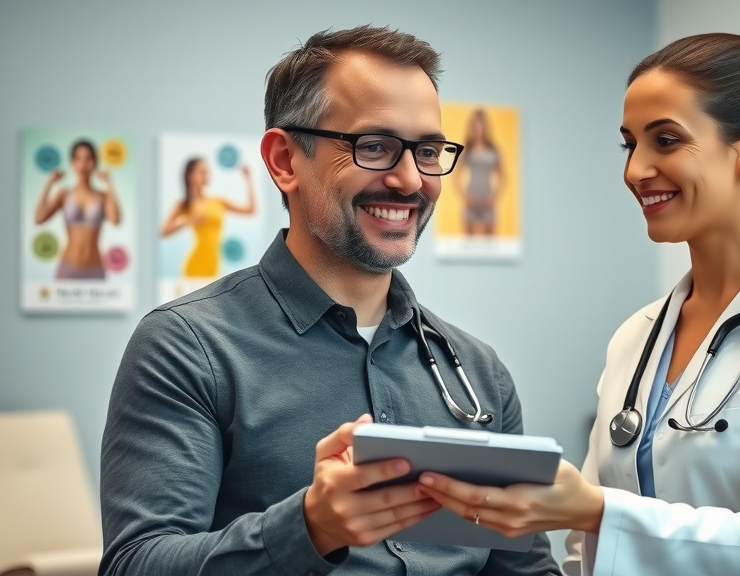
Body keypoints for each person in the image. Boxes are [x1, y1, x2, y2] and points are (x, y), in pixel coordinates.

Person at [417, 33, 740, 576]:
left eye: (666, 140)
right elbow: (583, 551)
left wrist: (597, 510)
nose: (635, 170)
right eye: (629, 145)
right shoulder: (636, 336)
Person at [100, 25, 559, 576]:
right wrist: (309, 528)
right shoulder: (188, 348)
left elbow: (526, 569)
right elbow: (136, 563)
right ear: (285, 160)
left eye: (427, 151)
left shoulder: (480, 373)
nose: (410, 180)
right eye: (374, 146)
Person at [34, 139, 121, 279]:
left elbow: (116, 220)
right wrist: (49, 183)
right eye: (78, 158)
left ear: (95, 162)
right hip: (68, 269)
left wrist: (110, 184)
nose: (83, 164)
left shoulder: (103, 196)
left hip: (95, 270)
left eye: (88, 159)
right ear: (72, 162)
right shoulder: (64, 194)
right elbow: (39, 218)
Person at [159, 157, 257, 277]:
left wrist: (248, 180)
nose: (206, 174)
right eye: (202, 171)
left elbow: (250, 210)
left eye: (207, 171)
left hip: (214, 265)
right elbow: (163, 231)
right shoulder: (185, 204)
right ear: (190, 175)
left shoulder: (218, 201)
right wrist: (188, 220)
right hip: (195, 265)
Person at [454, 108, 504, 236]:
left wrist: (495, 196)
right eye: (475, 125)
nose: (478, 129)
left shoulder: (493, 150)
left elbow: (503, 176)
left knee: (490, 240)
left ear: (485, 127)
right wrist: (464, 196)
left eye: (481, 125)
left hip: (487, 196)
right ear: (472, 127)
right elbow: (455, 176)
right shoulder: (467, 149)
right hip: (472, 196)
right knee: (468, 239)